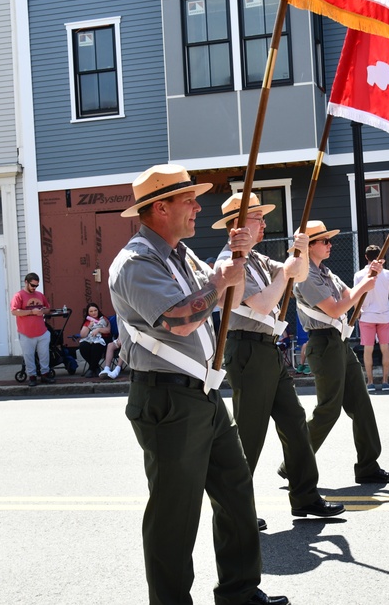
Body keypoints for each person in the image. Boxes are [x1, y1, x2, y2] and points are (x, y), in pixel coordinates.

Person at [107, 164, 287, 605]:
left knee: (236, 490)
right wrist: (220, 280)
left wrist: (237, 256)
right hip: (166, 398)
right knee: (175, 515)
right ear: (160, 207)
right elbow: (179, 319)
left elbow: (227, 289)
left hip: (202, 394)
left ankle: (239, 591)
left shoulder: (181, 254)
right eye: (188, 199)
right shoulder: (135, 262)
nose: (197, 206)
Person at [213, 193, 344, 526]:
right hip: (246, 348)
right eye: (258, 218)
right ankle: (236, 509)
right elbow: (259, 303)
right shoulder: (229, 261)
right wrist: (286, 272)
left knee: (295, 423)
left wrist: (299, 251)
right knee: (249, 434)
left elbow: (296, 275)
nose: (264, 224)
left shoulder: (256, 258)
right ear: (238, 224)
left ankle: (305, 497)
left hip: (268, 348)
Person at [294, 220, 389, 485]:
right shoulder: (305, 275)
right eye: (324, 241)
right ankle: (294, 462)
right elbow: (336, 308)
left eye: (329, 240)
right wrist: (364, 287)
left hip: (338, 342)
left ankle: (368, 465)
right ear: (310, 246)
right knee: (328, 409)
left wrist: (369, 275)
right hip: (323, 343)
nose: (330, 245)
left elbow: (349, 294)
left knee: (361, 404)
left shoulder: (326, 272)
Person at [354, 244, 389, 391]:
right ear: (381, 256)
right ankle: (385, 381)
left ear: (366, 257)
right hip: (384, 314)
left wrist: (357, 312)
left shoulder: (359, 275)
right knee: (385, 348)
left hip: (367, 315)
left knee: (368, 349)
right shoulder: (388, 273)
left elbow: (356, 296)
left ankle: (370, 382)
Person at [10, 273, 52, 387]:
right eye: (33, 285)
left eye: (36, 286)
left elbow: (48, 308)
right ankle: (32, 377)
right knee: (28, 355)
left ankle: (45, 375)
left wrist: (42, 311)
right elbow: (14, 311)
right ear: (26, 282)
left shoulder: (39, 295)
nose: (34, 288)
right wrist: (31, 311)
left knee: (44, 355)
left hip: (42, 331)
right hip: (26, 332)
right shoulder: (18, 295)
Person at [76, 303, 111, 376]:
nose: (93, 313)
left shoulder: (103, 319)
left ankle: (91, 369)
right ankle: (95, 367)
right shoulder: (88, 321)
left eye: (95, 310)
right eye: (91, 311)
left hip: (103, 338)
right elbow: (83, 335)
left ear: (98, 310)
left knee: (96, 346)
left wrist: (98, 329)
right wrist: (89, 326)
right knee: (83, 346)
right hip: (90, 339)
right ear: (88, 313)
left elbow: (108, 330)